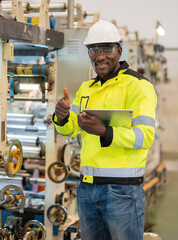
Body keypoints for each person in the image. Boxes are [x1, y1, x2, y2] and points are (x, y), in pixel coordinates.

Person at [53, 20, 157, 240]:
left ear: (119, 50)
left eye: (106, 49)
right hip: (87, 189)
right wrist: (61, 117)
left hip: (123, 192)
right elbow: (70, 129)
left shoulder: (138, 86)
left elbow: (145, 137)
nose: (99, 56)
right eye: (94, 50)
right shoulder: (86, 88)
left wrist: (105, 131)